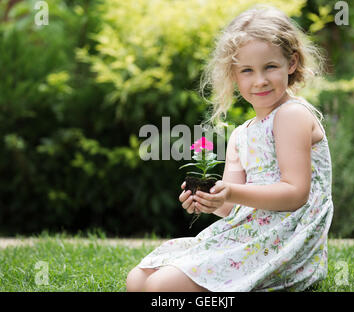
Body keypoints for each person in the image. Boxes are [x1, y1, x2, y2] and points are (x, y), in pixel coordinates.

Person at [126, 4, 333, 292]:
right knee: (138, 280)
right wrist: (209, 200)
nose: (259, 80)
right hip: (247, 235)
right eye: (247, 70)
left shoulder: (292, 115)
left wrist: (232, 191)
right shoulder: (241, 134)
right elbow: (231, 208)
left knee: (160, 286)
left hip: (284, 243)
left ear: (292, 63)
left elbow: (295, 194)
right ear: (234, 75)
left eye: (270, 67)